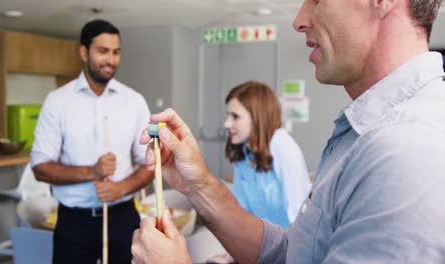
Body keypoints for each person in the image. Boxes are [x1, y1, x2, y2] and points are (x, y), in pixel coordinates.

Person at [132, 0, 445, 263]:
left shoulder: (406, 148)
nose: (299, 20)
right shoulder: (363, 133)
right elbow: (292, 253)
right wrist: (197, 185)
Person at [31, 19, 154, 264]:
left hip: (122, 217)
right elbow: (40, 167)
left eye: (116, 52)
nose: (111, 59)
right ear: (84, 52)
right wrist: (92, 171)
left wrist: (121, 188)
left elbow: (149, 164)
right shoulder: (57, 102)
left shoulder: (134, 101)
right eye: (103, 51)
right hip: (74, 223)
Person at [209, 81, 311, 263]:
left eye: (235, 116)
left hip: (293, 253)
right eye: (227, 115)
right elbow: (242, 214)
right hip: (263, 252)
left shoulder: (282, 146)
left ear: (257, 117)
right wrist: (231, 256)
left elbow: (299, 216)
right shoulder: (243, 155)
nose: (226, 123)